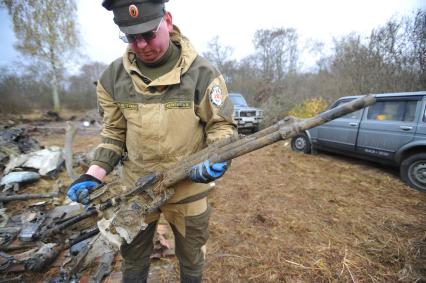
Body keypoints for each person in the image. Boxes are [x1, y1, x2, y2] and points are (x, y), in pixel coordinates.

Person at [66, 0, 237, 282]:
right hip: (135, 189)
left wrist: (216, 157)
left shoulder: (202, 73)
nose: (142, 44)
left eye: (148, 34)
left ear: (167, 21)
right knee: (133, 261)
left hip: (188, 187)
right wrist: (92, 174)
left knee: (192, 260)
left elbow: (221, 126)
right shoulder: (112, 79)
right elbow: (113, 135)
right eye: (132, 37)